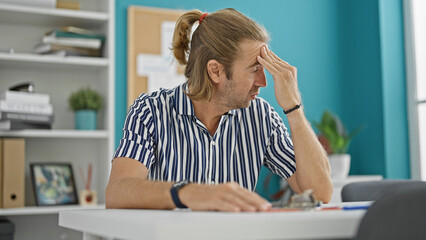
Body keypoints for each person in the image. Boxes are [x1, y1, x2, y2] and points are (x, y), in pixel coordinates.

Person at [106, 8, 332, 212]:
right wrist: (189, 193)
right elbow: (117, 192)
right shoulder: (151, 111)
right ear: (215, 71)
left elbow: (320, 195)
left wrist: (294, 107)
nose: (264, 82)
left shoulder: (261, 117)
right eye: (255, 69)